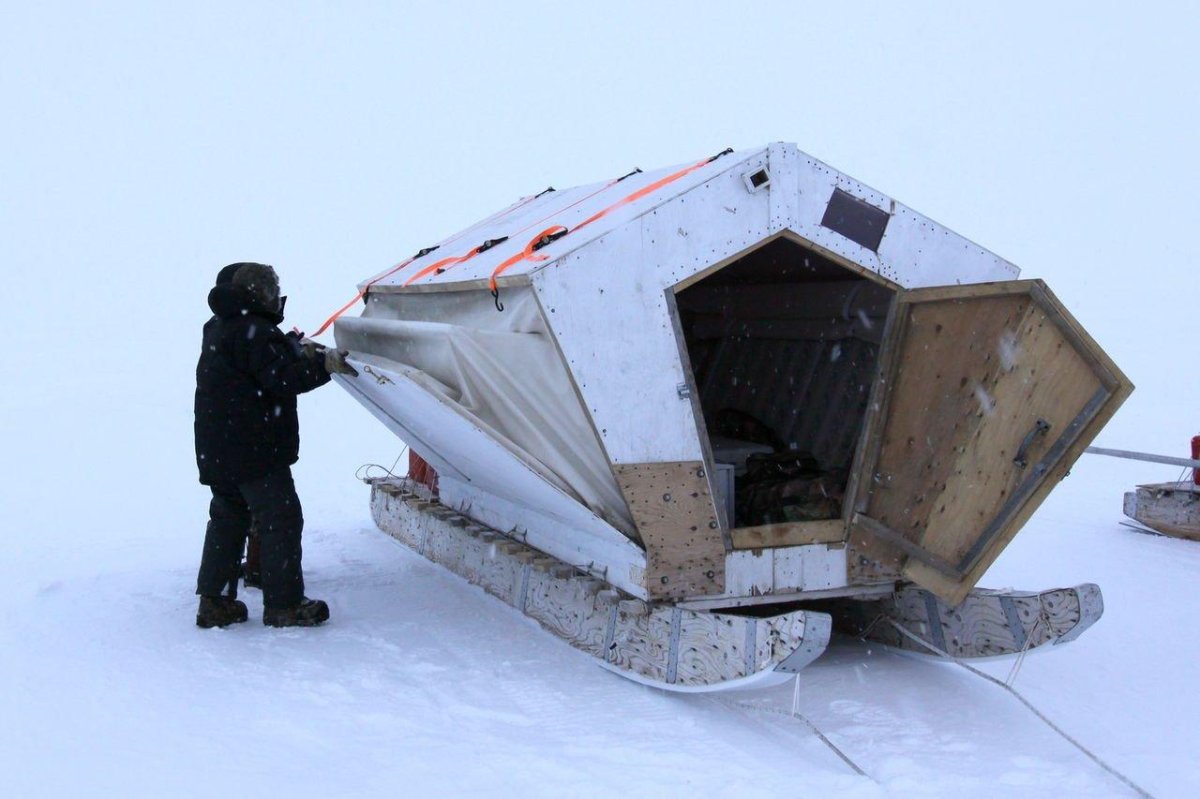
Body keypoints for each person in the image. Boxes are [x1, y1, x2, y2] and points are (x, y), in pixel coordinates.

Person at [193, 262, 357, 628]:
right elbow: (281, 378)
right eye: (270, 291)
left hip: (219, 448)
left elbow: (259, 360)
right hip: (254, 450)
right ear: (258, 294)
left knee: (228, 519)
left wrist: (289, 347)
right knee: (280, 519)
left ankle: (214, 602)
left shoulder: (221, 326)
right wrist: (325, 364)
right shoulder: (255, 331)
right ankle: (284, 605)